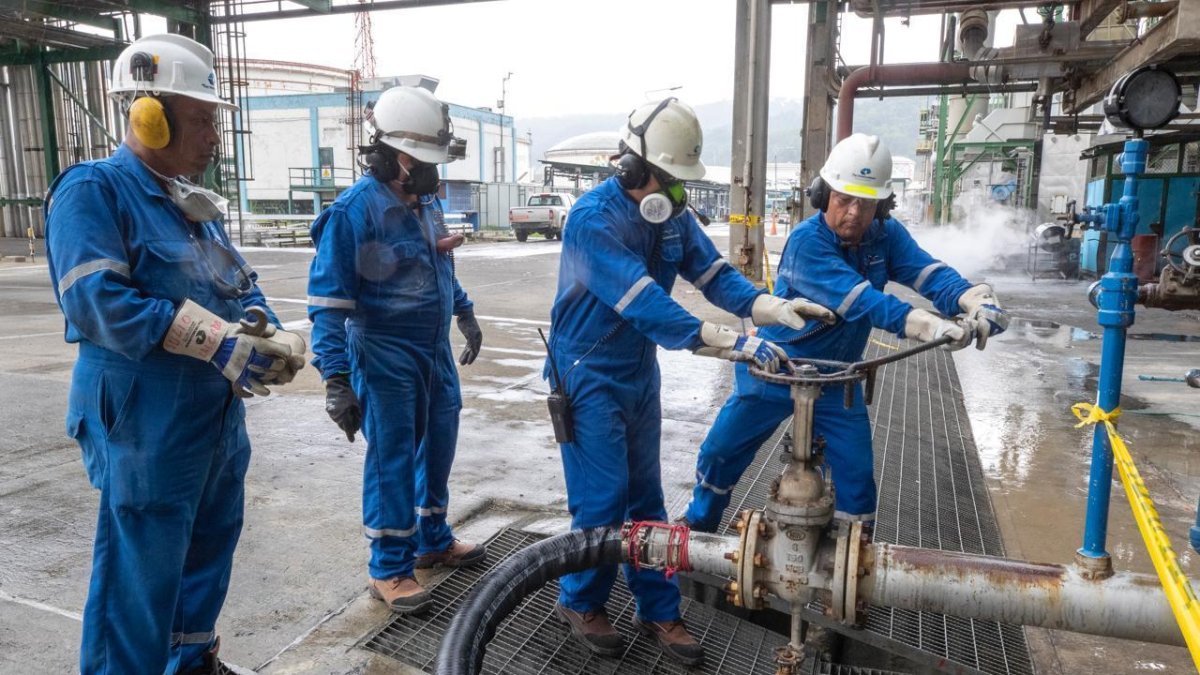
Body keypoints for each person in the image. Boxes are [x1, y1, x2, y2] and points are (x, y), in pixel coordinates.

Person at [45, 33, 306, 675]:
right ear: (149, 117)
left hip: (213, 416)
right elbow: (95, 302)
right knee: (141, 576)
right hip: (143, 416)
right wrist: (217, 341)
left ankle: (191, 663)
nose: (216, 137)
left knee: (208, 553)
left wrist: (271, 334)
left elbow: (238, 288)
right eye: (202, 120)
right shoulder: (94, 191)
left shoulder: (194, 207)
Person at [545, 97, 835, 666]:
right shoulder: (591, 220)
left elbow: (714, 275)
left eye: (681, 181)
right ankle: (580, 601)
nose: (677, 192)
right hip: (586, 372)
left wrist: (767, 307)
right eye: (668, 178)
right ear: (632, 168)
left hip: (636, 371)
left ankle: (657, 606)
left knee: (646, 498)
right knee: (602, 500)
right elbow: (644, 304)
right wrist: (732, 342)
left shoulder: (671, 215)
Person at [682, 132, 1010, 534]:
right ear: (823, 195)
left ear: (882, 206)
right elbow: (865, 302)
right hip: (775, 369)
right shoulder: (806, 242)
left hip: (837, 379)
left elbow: (929, 274)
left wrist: (972, 298)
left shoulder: (886, 236)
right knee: (720, 453)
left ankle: (851, 555)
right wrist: (932, 325)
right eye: (844, 199)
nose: (854, 212)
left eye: (866, 203)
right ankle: (697, 531)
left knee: (857, 482)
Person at [307, 85, 486, 616]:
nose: (431, 172)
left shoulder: (425, 202)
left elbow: (438, 261)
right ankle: (388, 567)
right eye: (420, 161)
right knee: (392, 458)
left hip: (432, 348)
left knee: (439, 444)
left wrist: (463, 310)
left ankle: (432, 538)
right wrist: (336, 379)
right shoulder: (353, 213)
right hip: (384, 350)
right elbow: (328, 305)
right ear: (389, 156)